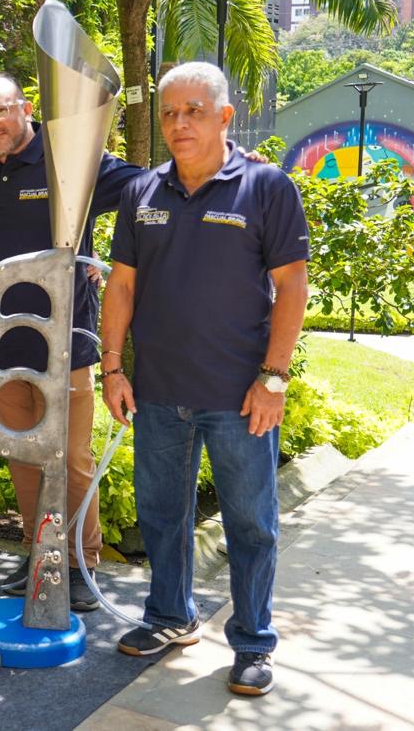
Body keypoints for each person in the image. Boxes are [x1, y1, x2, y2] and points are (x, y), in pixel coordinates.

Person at [101, 62, 308, 697]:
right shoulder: (143, 193)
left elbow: (291, 283)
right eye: (169, 112)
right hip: (160, 389)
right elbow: (123, 286)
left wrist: (274, 377)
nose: (179, 123)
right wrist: (112, 367)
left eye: (193, 110)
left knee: (251, 523)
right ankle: (170, 617)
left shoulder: (266, 187)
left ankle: (251, 643)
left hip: (238, 396)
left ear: (224, 115)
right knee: (163, 514)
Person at [0, 69, 142, 612]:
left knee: (69, 459)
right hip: (5, 346)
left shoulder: (70, 157)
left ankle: (81, 565)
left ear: (26, 106)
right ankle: (40, 554)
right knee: (21, 454)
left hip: (66, 346)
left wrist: (223, 162)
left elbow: (144, 186)